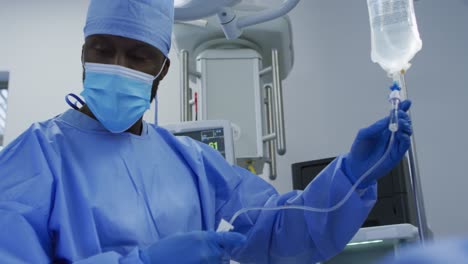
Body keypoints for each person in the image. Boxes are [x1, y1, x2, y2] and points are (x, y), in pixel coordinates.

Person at [0, 0, 413, 263]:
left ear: (162, 69)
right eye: (103, 50)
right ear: (84, 52)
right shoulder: (33, 159)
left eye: (139, 56)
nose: (118, 65)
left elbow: (284, 234)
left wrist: (353, 174)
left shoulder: (192, 162)